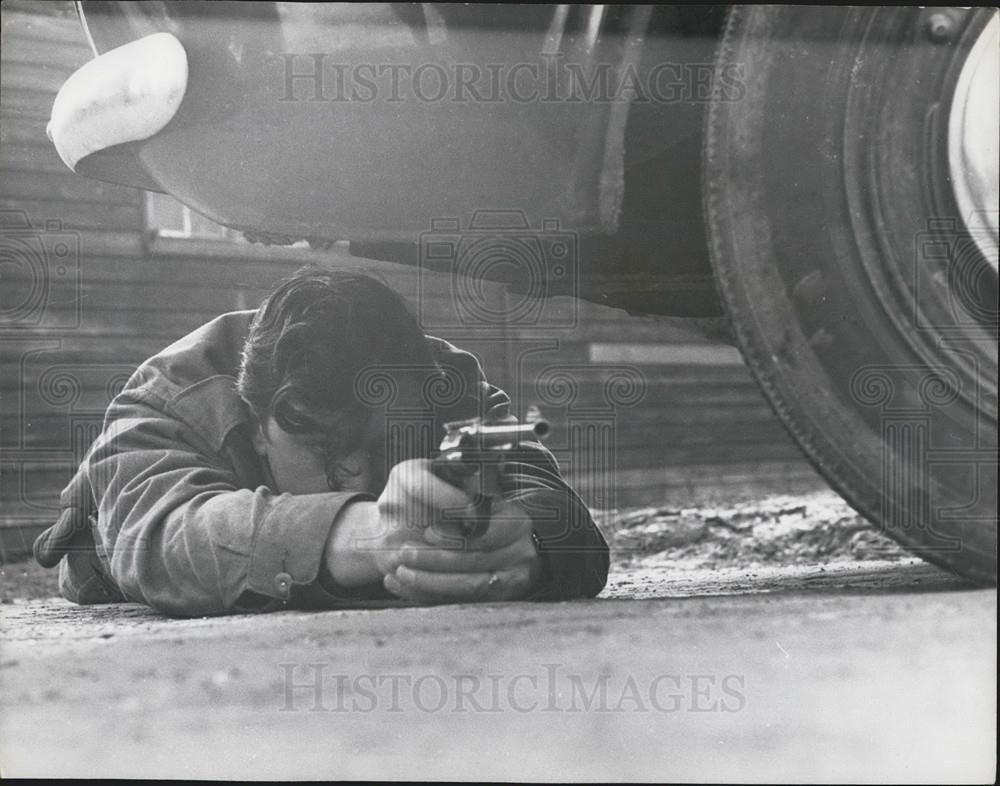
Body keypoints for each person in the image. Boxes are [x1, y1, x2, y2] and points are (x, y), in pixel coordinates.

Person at [33, 267, 609, 616]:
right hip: (106, 546)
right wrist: (375, 535)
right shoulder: (170, 395)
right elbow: (159, 538)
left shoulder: (443, 383)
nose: (362, 475)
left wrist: (526, 544)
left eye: (385, 442)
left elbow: (553, 504)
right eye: (327, 451)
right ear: (256, 424)